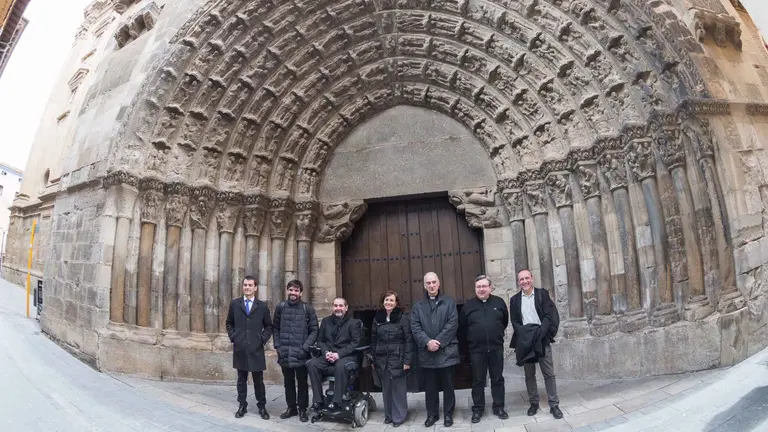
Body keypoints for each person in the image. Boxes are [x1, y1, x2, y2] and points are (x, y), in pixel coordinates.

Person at [509, 269, 563, 419]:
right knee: (529, 374)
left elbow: (547, 315)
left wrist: (541, 333)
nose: (524, 281)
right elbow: (515, 321)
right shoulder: (514, 300)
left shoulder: (542, 294)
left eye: (527, 278)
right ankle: (534, 402)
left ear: (532, 279)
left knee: (548, 373)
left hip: (541, 338)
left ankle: (554, 404)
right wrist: (525, 335)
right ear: (518, 282)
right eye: (521, 279)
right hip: (526, 341)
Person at [410, 272, 459, 427]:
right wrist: (427, 342)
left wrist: (437, 341)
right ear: (424, 285)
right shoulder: (418, 306)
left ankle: (448, 415)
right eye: (428, 283)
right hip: (427, 354)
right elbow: (415, 327)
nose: (431, 285)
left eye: (434, 282)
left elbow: (452, 324)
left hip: (446, 352)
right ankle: (432, 414)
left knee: (448, 386)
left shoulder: (449, 302)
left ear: (439, 283)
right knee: (430, 388)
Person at [460, 275, 509, 423]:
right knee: (478, 380)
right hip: (476, 350)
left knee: (498, 379)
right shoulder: (468, 306)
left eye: (484, 286)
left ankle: (499, 406)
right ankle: (478, 409)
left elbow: (504, 322)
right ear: (475, 288)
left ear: (490, 287)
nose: (481, 289)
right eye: (478, 287)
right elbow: (462, 328)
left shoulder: (499, 302)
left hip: (496, 348)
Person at [225, 276, 273, 419]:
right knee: (241, 379)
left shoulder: (262, 306)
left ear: (255, 288)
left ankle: (262, 406)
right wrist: (234, 337)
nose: (247, 287)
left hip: (256, 349)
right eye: (245, 285)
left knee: (258, 380)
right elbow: (229, 323)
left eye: (250, 285)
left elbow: (269, 326)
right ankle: (242, 405)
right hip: (240, 348)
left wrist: (262, 340)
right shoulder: (235, 304)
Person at [273, 279, 318, 422]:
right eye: (291, 290)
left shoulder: (307, 309)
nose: (293, 293)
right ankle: (291, 408)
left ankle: (302, 409)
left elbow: (314, 330)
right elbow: (275, 328)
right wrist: (278, 346)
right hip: (284, 352)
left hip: (301, 353)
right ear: (287, 291)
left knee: (302, 382)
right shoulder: (280, 307)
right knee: (288, 382)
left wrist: (305, 348)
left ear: (301, 292)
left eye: (296, 290)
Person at [307, 297, 362, 413]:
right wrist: (326, 352)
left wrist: (338, 354)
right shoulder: (326, 321)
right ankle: (318, 400)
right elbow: (320, 340)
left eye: (341, 306)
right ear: (333, 307)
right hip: (328, 355)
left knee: (341, 366)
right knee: (312, 364)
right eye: (336, 306)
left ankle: (337, 401)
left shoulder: (354, 323)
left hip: (346, 356)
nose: (338, 308)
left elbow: (355, 343)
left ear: (346, 308)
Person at [370, 291, 414, 427]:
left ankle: (399, 416)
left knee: (398, 389)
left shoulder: (403, 318)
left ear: (396, 303)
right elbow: (373, 339)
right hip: (382, 359)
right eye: (386, 300)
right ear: (383, 302)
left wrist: (407, 361)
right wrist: (373, 357)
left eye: (391, 300)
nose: (388, 303)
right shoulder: (377, 318)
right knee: (386, 389)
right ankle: (389, 415)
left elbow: (409, 340)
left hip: (398, 358)